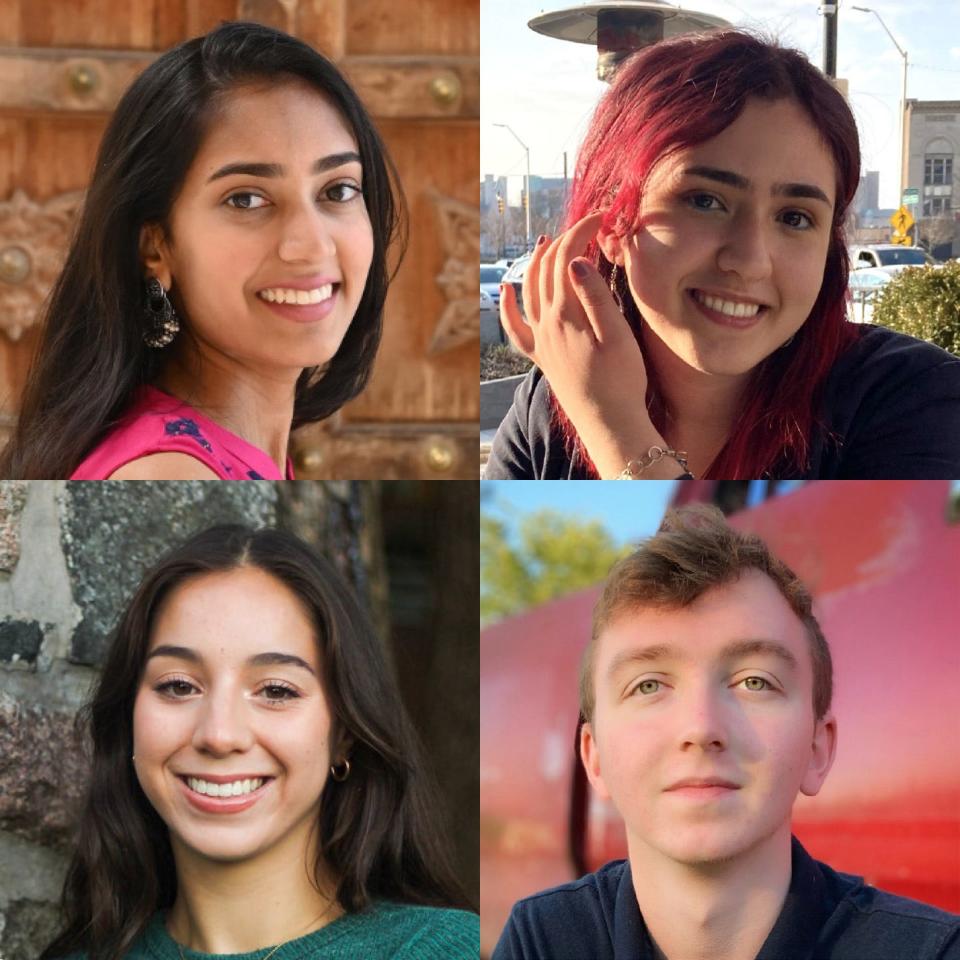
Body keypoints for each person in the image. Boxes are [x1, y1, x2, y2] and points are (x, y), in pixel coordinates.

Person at [485, 29, 960, 480]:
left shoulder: (914, 397)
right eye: (705, 201)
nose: (750, 261)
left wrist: (615, 430)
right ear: (611, 224)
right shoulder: (548, 410)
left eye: (795, 217)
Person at [492, 505, 960, 959]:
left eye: (755, 681)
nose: (701, 728)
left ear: (818, 749)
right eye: (648, 684)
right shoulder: (543, 939)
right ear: (594, 758)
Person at [41, 525, 478, 960]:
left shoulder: (441, 949)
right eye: (178, 686)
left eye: (276, 691)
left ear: (344, 734)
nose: (219, 735)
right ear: (129, 716)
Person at [1, 21, 403, 480]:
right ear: (155, 247)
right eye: (246, 199)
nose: (311, 244)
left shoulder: (218, 453)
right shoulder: (166, 471)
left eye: (338, 190)